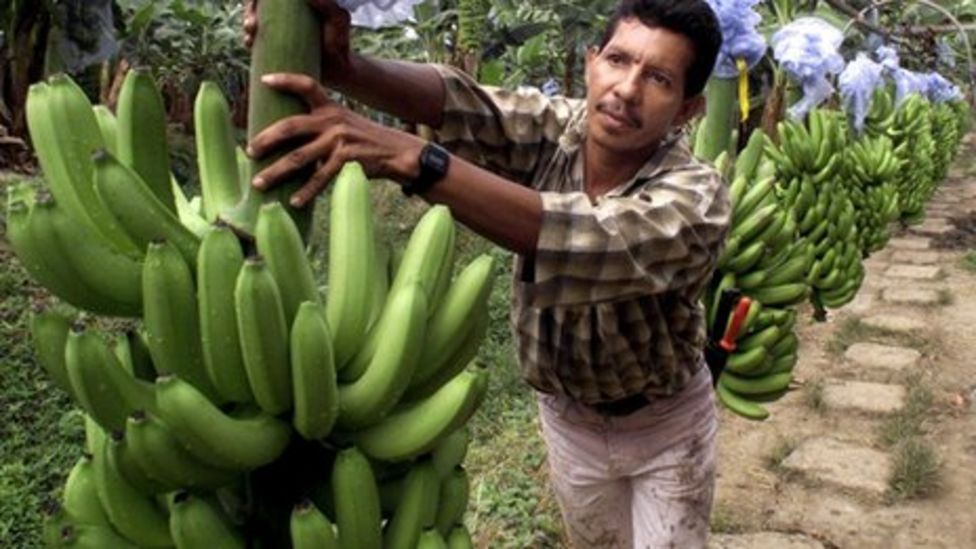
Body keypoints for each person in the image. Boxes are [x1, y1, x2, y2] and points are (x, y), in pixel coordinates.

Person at [245, 0, 728, 546]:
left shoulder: (696, 199)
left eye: (658, 78)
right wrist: (343, 66)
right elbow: (462, 104)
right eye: (618, 59)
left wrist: (413, 158)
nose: (627, 88)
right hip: (568, 420)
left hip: (664, 427)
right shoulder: (560, 129)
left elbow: (583, 239)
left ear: (688, 109)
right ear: (592, 61)